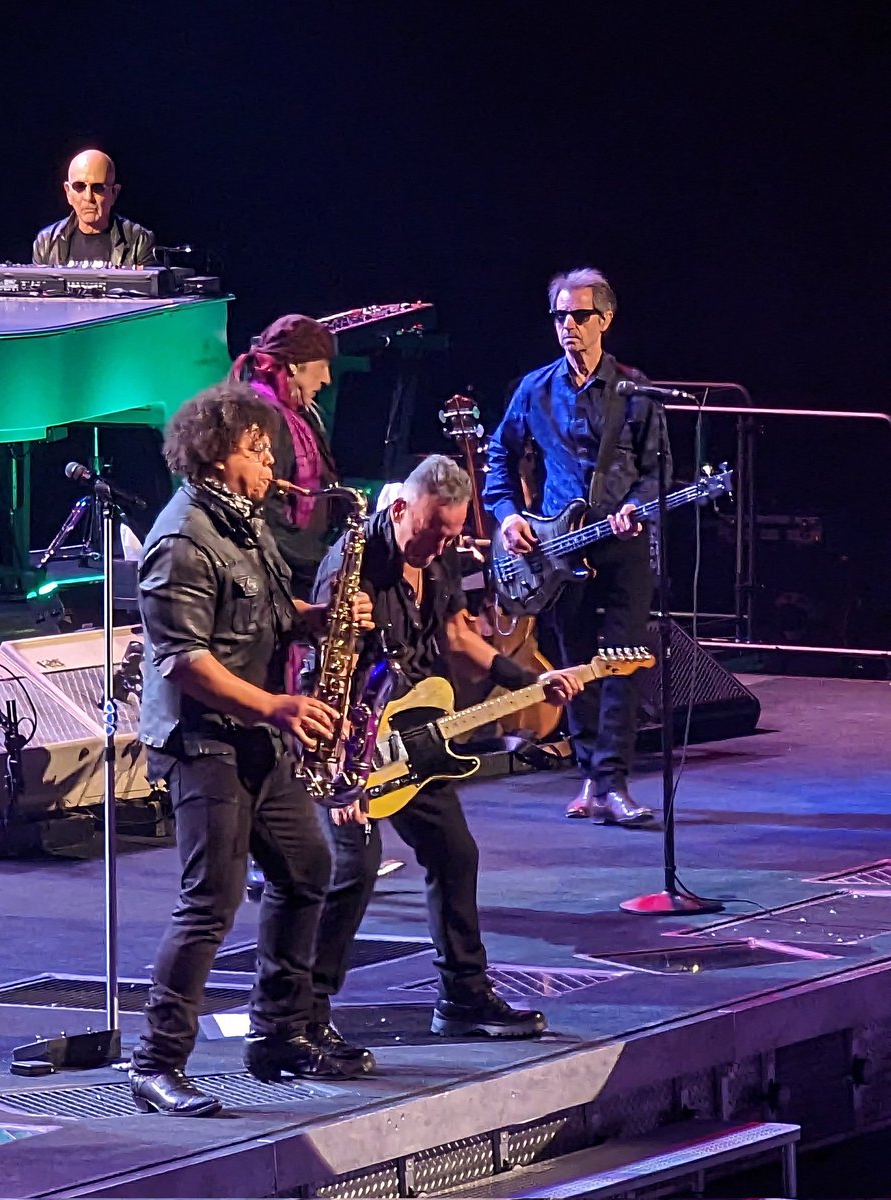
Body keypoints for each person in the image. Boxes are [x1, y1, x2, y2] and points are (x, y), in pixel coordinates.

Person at [128, 381, 376, 1118]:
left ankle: (276, 1035)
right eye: (257, 450)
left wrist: (323, 617)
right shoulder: (181, 539)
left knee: (308, 870)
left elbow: (269, 609)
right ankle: (155, 1062)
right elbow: (184, 661)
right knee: (210, 903)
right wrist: (278, 704)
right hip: (202, 741)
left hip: (256, 734)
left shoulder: (244, 524)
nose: (272, 464)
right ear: (215, 454)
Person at [310, 455, 584, 1040]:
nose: (439, 547)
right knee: (353, 870)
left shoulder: (438, 558)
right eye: (432, 533)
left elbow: (457, 635)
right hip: (352, 743)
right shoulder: (353, 565)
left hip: (414, 735)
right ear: (401, 507)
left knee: (455, 854)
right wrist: (340, 774)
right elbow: (321, 673)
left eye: (451, 535)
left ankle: (463, 996)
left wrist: (527, 681)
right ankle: (302, 1011)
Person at [483, 267, 670, 827]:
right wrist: (508, 516)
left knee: (621, 664)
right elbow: (499, 457)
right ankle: (591, 774)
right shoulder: (535, 388)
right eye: (560, 315)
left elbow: (657, 471)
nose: (568, 325)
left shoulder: (634, 391)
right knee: (576, 665)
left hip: (621, 548)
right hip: (558, 550)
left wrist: (638, 507)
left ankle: (614, 782)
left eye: (580, 315)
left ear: (605, 320)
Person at [231, 313, 341, 599]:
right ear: (294, 366)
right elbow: (265, 517)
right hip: (279, 580)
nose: (327, 379)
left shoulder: (300, 415)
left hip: (301, 564)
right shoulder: (261, 419)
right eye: (322, 367)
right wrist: (322, 562)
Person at [32, 149, 156, 267]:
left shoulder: (139, 241)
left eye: (98, 187)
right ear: (68, 192)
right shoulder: (46, 242)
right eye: (79, 186)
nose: (88, 197)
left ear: (114, 193)